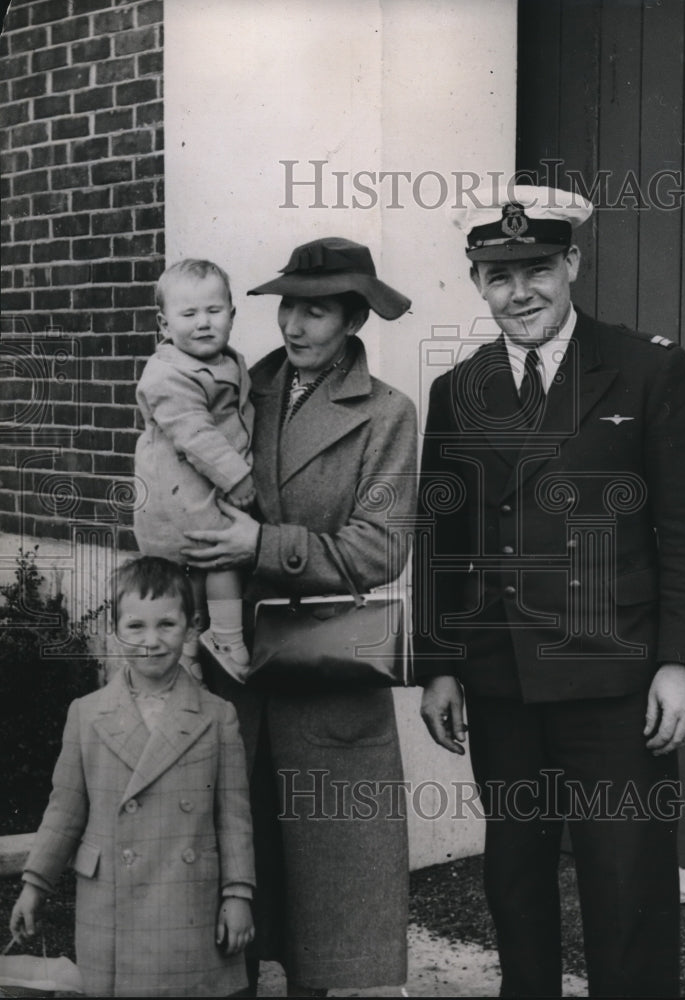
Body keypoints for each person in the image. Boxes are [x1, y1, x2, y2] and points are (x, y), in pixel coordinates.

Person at [414, 186, 685, 998]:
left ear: (573, 265)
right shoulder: (458, 391)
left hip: (616, 684)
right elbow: (441, 540)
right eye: (497, 274)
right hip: (504, 680)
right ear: (477, 281)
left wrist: (681, 661)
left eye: (536, 269)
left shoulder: (646, 367)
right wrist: (440, 664)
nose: (520, 292)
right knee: (516, 884)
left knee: (626, 888)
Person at [182, 236, 417, 997]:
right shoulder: (234, 395)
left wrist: (263, 543)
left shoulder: (387, 415)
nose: (295, 325)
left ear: (353, 319)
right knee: (234, 896)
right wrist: (194, 621)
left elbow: (379, 551)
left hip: (327, 676)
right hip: (235, 674)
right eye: (288, 306)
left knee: (325, 913)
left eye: (317, 310)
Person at [9, 556, 256, 997]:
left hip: (189, 904)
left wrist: (238, 895)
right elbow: (64, 810)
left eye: (166, 625)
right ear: (115, 629)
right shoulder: (86, 714)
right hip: (111, 903)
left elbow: (233, 818)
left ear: (192, 626)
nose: (152, 641)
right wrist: (34, 886)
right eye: (136, 627)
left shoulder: (218, 717)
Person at [134, 259, 255, 682]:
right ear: (164, 324)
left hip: (201, 483)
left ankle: (188, 647)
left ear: (233, 315)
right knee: (219, 555)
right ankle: (227, 636)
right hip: (179, 489)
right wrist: (237, 476)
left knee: (197, 572)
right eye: (188, 315)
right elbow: (196, 433)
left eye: (214, 311)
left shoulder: (228, 361)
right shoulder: (166, 372)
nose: (203, 323)